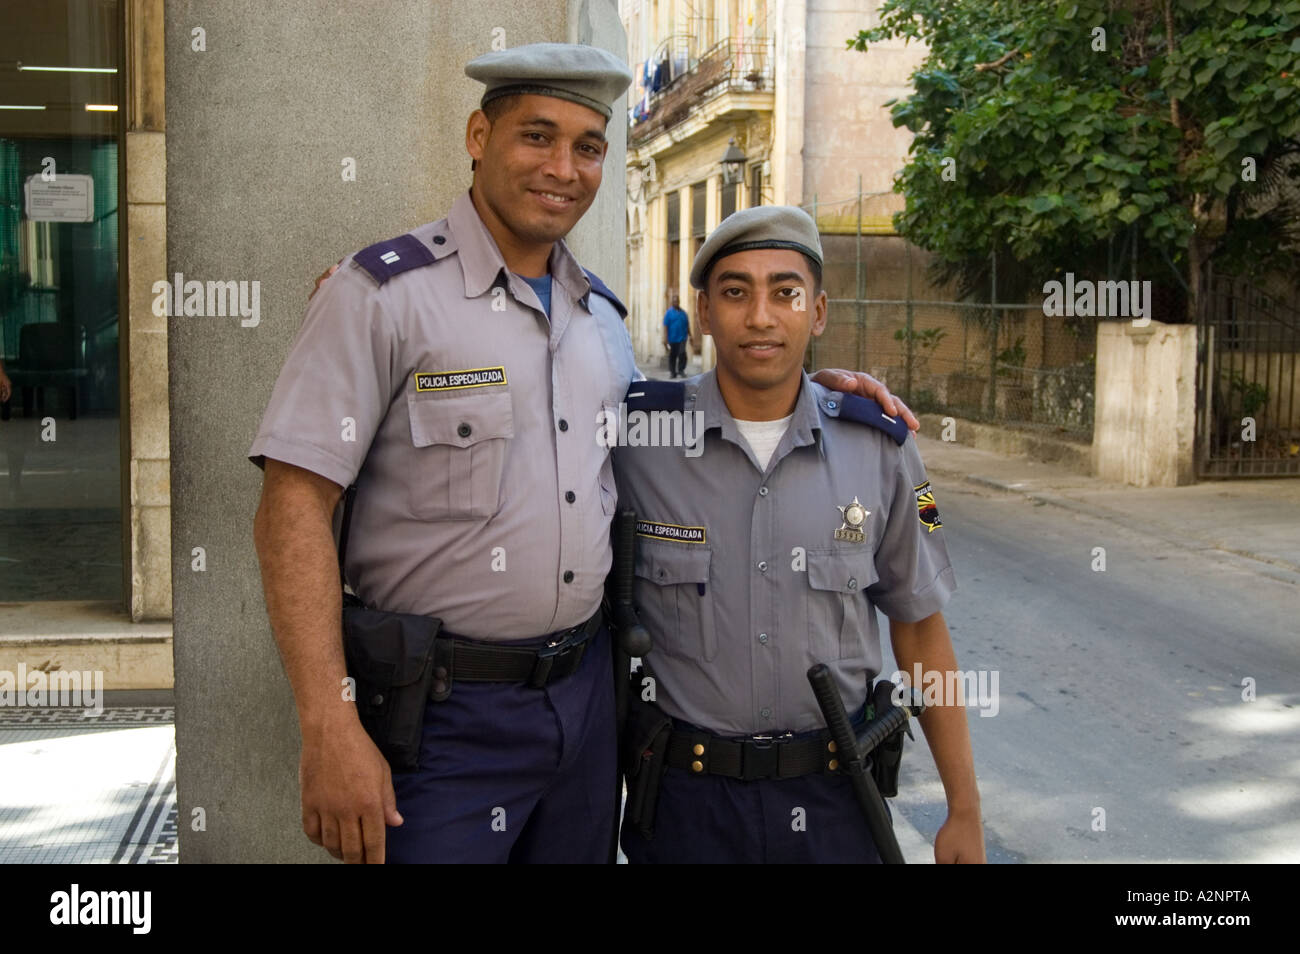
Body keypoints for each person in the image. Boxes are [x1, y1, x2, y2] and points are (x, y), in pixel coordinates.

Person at [266, 45, 918, 865]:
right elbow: (292, 503)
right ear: (478, 135)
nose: (563, 168)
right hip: (436, 718)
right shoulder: (383, 296)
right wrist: (328, 723)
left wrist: (808, 390)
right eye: (537, 136)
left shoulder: (601, 321)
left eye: (587, 146)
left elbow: (683, 425)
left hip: (587, 711)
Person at [613, 206, 985, 864]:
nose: (760, 316)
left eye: (784, 292)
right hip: (686, 807)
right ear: (704, 311)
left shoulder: (880, 448)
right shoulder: (639, 437)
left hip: (836, 803)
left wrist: (964, 808)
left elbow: (921, 629)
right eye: (735, 292)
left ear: (817, 312)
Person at [662, 294, 689, 377]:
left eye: (677, 301)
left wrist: (690, 336)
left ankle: (681, 370)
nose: (675, 302)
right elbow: (665, 326)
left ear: (679, 302)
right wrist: (665, 338)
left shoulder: (683, 313)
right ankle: (673, 373)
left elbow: (687, 325)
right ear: (672, 302)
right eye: (674, 301)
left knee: (682, 354)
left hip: (682, 338)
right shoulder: (668, 313)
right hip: (672, 338)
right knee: (672, 356)